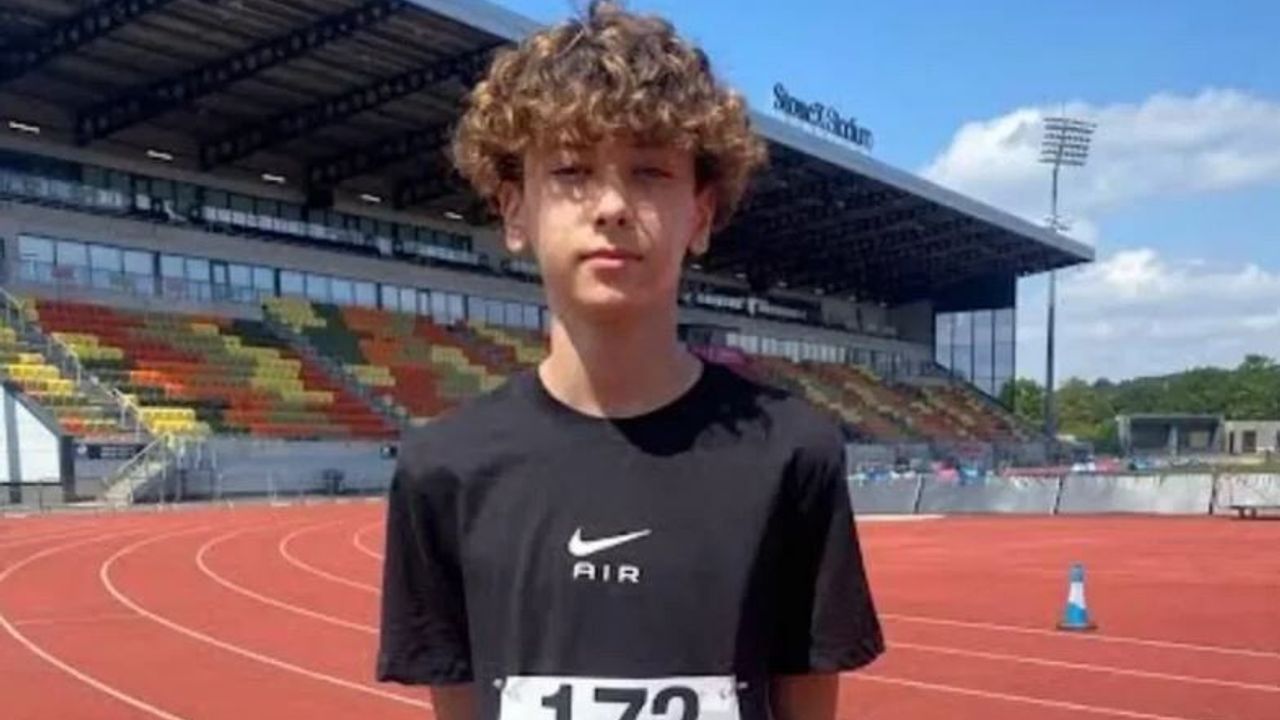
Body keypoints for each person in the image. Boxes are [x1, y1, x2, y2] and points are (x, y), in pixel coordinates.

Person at [375, 3, 884, 720]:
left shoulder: (794, 454)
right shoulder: (442, 469)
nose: (612, 205)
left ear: (700, 215)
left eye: (650, 171)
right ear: (515, 212)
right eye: (572, 170)